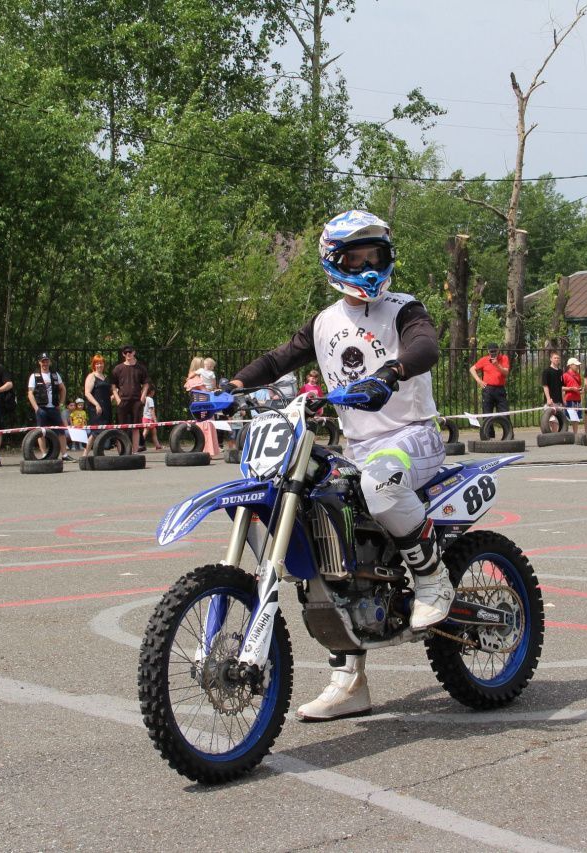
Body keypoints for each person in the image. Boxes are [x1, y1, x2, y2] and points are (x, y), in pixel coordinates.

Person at [227, 210, 448, 723]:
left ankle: (433, 576)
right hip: (358, 445)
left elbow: (426, 346)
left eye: (376, 255)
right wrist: (233, 386)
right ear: (333, 261)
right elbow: (280, 357)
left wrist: (392, 372)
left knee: (378, 481)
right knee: (317, 525)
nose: (368, 267)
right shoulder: (326, 321)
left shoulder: (403, 308)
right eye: (356, 257)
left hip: (412, 438)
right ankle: (349, 681)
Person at [27, 353, 71, 461]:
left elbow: (63, 389)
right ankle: (44, 454)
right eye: (43, 361)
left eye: (46, 361)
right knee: (41, 432)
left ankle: (64, 455)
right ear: (39, 362)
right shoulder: (34, 376)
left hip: (54, 408)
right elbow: (30, 393)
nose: (45, 363)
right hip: (42, 408)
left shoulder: (55, 375)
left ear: (49, 362)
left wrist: (61, 403)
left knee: (61, 431)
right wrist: (36, 408)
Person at [111, 345, 151, 454]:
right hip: (122, 401)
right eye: (125, 352)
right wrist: (117, 399)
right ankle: (121, 451)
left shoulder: (140, 368)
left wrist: (142, 397)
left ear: (134, 352)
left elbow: (146, 383)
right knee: (121, 427)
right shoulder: (118, 368)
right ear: (123, 354)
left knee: (136, 427)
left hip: (136, 401)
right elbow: (113, 385)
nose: (128, 354)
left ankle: (135, 451)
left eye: (130, 351)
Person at [184, 357, 220, 457]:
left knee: (205, 426)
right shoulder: (197, 379)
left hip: (200, 405)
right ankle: (207, 450)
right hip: (204, 405)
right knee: (206, 427)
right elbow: (205, 391)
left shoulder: (194, 377)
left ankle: (205, 450)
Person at [469, 342, 510, 415]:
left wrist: (497, 365)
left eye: (495, 351)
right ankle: (488, 426)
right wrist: (479, 381)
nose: (493, 353)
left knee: (504, 413)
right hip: (488, 389)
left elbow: (506, 373)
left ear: (498, 350)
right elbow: (472, 369)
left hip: (500, 389)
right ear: (488, 351)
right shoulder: (484, 360)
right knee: (487, 414)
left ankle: (506, 426)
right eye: (491, 351)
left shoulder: (504, 358)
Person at [83, 354, 114, 439]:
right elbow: (87, 393)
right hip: (96, 408)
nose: (99, 365)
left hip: (107, 407)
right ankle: (85, 452)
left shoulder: (105, 377)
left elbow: (108, 393)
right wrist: (97, 405)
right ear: (94, 365)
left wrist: (112, 397)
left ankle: (123, 452)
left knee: (109, 430)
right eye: (97, 363)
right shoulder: (91, 376)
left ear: (104, 364)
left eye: (101, 363)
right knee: (96, 432)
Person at [540, 350, 565, 432]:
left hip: (559, 400)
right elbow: (545, 386)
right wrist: (548, 398)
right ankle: (553, 436)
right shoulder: (547, 371)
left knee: (558, 420)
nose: (557, 359)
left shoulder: (560, 372)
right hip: (551, 400)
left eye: (558, 358)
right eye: (555, 358)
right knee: (552, 420)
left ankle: (556, 435)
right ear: (551, 359)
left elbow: (562, 387)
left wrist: (563, 399)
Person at [562, 357, 584, 434]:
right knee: (568, 417)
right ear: (570, 365)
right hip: (569, 399)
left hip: (577, 399)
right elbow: (561, 388)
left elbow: (580, 386)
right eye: (576, 365)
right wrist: (571, 389)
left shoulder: (578, 375)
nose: (577, 367)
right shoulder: (565, 375)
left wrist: (581, 390)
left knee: (576, 418)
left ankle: (575, 434)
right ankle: (564, 432)